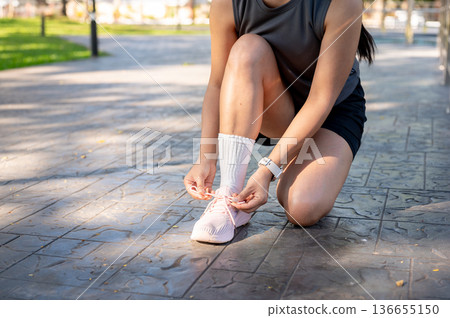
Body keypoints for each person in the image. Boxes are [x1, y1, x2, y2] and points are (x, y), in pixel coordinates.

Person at [183, 0, 375, 244]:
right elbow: (218, 83)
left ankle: (297, 159)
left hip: (331, 112)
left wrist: (267, 171)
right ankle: (229, 195)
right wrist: (205, 159)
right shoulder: (226, 3)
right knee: (247, 48)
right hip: (275, 108)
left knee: (301, 208)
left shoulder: (342, 4)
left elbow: (320, 100)